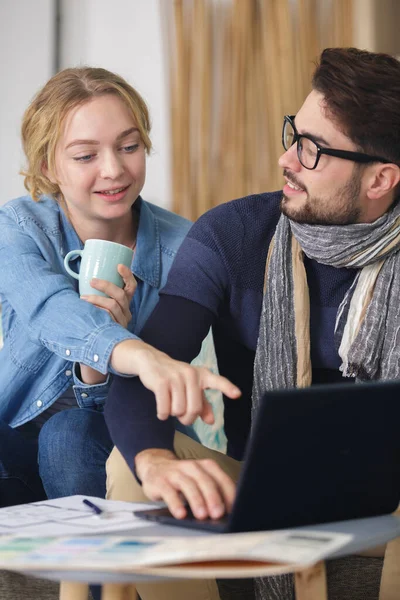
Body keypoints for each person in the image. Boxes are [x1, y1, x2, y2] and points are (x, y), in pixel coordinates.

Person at [104, 48, 400, 600]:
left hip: (388, 508)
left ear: (380, 178)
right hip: (260, 490)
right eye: (294, 134)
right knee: (129, 468)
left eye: (312, 150)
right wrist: (155, 459)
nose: (287, 159)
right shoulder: (234, 235)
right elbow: (140, 376)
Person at [0, 66, 238, 508]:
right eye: (86, 156)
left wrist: (96, 372)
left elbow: (124, 413)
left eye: (129, 147)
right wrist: (137, 354)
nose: (114, 169)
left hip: (107, 451)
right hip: (14, 447)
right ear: (47, 166)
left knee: (68, 432)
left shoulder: (185, 247)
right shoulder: (19, 227)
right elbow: (48, 309)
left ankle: (100, 577)